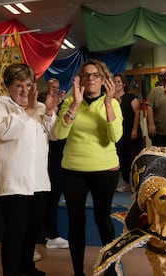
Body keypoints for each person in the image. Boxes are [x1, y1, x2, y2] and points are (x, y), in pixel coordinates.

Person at [0, 63, 63, 276]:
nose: (24, 90)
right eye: (18, 85)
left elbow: (54, 134)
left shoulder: (39, 106)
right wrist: (28, 110)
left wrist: (48, 111)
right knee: (15, 230)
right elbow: (4, 132)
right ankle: (11, 272)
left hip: (37, 181)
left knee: (32, 230)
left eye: (28, 85)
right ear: (8, 86)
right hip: (11, 181)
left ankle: (27, 267)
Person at [54, 59, 123, 276]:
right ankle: (78, 272)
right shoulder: (69, 102)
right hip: (73, 170)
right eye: (86, 75)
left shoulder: (112, 103)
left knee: (103, 219)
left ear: (103, 80)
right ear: (80, 80)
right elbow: (59, 134)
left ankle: (111, 268)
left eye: (95, 75)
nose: (91, 78)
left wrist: (110, 102)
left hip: (105, 170)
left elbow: (114, 137)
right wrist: (75, 103)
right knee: (76, 222)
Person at [38, 78, 69, 249]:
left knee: (54, 195)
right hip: (45, 155)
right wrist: (50, 109)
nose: (55, 90)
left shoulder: (63, 103)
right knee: (48, 197)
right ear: (47, 88)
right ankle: (51, 234)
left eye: (58, 87)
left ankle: (52, 233)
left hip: (59, 154)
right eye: (52, 87)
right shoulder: (39, 103)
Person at [114, 73, 143, 193]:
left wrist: (135, 129)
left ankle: (137, 184)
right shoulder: (110, 99)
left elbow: (137, 113)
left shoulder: (131, 97)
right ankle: (126, 182)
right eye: (115, 82)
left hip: (131, 132)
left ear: (124, 84)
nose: (116, 84)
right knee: (121, 159)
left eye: (119, 82)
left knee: (132, 159)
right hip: (117, 134)